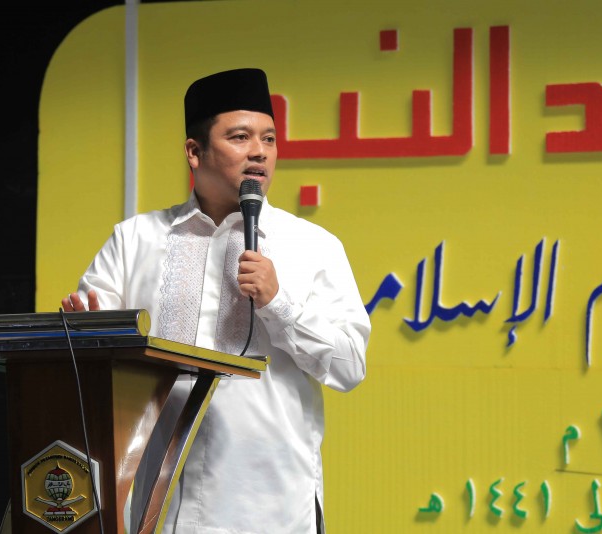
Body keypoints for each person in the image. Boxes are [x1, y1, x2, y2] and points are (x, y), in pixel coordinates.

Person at [61, 68, 370, 533]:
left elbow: (350, 366)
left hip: (273, 507)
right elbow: (87, 349)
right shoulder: (134, 241)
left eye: (269, 139)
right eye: (240, 137)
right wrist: (87, 337)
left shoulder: (313, 246)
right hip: (159, 506)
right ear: (194, 151)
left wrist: (279, 303)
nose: (259, 152)